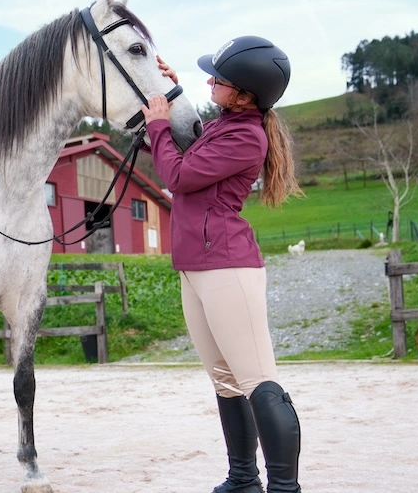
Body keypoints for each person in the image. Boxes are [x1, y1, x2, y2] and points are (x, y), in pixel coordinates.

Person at [140, 36, 304, 493]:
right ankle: (243, 479)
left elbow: (178, 176)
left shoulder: (245, 138)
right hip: (196, 266)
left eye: (220, 78)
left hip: (227, 267)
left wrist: (155, 127)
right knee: (226, 380)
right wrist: (173, 93)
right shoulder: (227, 125)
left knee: (257, 380)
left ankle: (284, 489)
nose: (210, 79)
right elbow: (192, 138)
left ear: (245, 94)